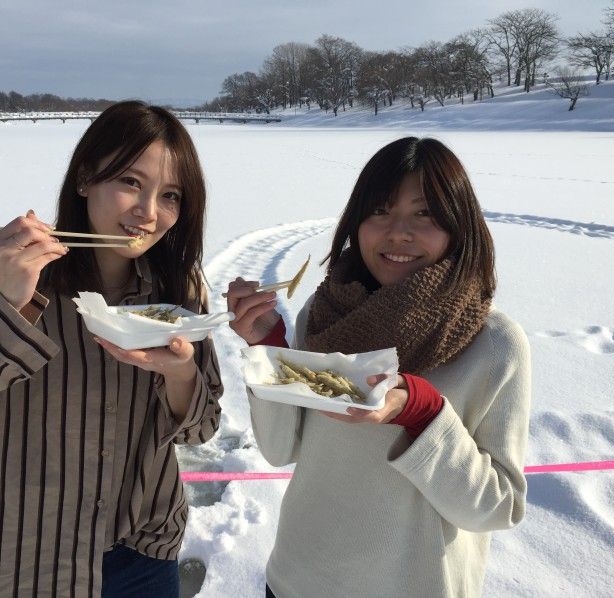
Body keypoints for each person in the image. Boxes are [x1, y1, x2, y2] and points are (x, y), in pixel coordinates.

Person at [0, 101, 223, 598]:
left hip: (145, 552)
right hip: (30, 563)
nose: (149, 213)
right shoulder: (1, 277)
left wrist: (180, 375)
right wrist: (8, 308)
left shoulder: (179, 288)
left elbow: (201, 429)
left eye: (171, 195)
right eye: (131, 183)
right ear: (85, 178)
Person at [226, 137, 531, 598]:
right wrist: (267, 347)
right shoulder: (325, 312)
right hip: (297, 579)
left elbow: (496, 508)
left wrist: (423, 413)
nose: (398, 232)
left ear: (459, 225)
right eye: (379, 211)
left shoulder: (493, 344)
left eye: (424, 214)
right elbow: (279, 448)